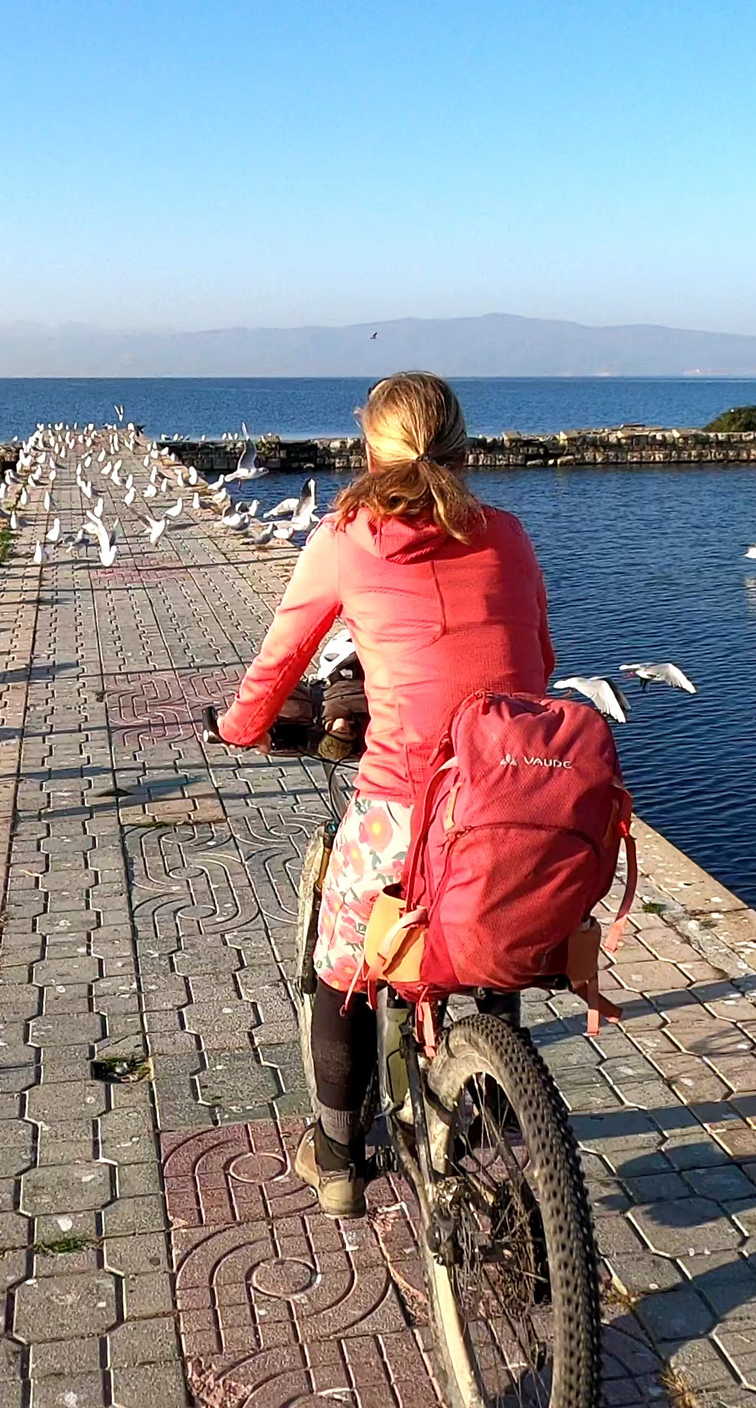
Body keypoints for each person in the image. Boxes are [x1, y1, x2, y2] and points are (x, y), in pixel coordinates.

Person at [215, 372, 555, 1216]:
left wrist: (239, 728)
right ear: (464, 450)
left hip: (404, 803)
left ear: (369, 451)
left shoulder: (349, 535)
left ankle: (335, 1156)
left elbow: (281, 659)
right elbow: (539, 660)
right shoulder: (506, 533)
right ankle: (490, 1102)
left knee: (345, 966)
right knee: (489, 939)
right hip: (514, 794)